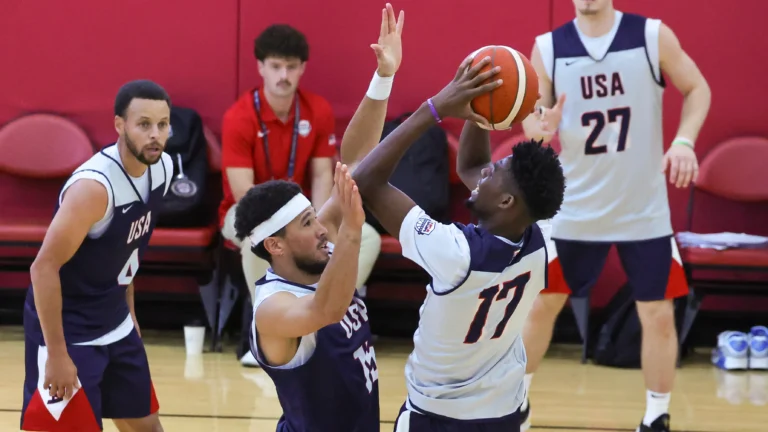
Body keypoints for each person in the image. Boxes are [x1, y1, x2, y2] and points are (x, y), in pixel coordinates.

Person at [349, 45, 566, 428]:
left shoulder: (455, 255)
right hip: (503, 414)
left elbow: (365, 180)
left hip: (436, 417)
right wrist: (483, 110)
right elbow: (471, 165)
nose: (486, 171)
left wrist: (435, 108)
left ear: (505, 201)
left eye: (496, 170)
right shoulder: (541, 240)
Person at [519, 1, 711, 431]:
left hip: (641, 208)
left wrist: (684, 141)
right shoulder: (548, 47)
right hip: (574, 207)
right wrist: (540, 128)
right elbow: (531, 124)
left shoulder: (651, 35)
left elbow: (698, 88)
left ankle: (656, 416)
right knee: (540, 307)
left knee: (658, 313)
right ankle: (516, 404)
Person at [233, 5, 403, 431]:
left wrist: (384, 78)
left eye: (315, 216)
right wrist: (350, 226)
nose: (321, 226)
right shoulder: (274, 309)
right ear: (275, 244)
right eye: (308, 223)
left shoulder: (309, 252)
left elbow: (357, 161)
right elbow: (328, 306)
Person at [219, 23, 382, 366]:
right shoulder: (239, 116)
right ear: (260, 67)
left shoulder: (316, 110)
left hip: (301, 211)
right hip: (245, 212)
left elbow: (324, 174)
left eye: (291, 67)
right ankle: (268, 326)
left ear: (302, 69)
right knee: (257, 235)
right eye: (276, 66)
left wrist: (321, 223)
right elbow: (242, 193)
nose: (283, 75)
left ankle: (329, 307)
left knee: (367, 238)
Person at [21, 80, 172, 432]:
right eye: (144, 124)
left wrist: (129, 311)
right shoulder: (93, 189)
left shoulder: (161, 169)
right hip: (69, 331)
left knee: (147, 426)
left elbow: (128, 249)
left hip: (114, 320)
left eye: (162, 125)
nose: (155, 135)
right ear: (120, 125)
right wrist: (57, 354)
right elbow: (43, 268)